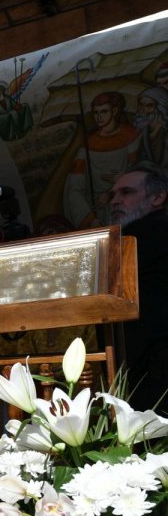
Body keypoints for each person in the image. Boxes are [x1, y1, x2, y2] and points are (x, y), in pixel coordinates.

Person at [110, 162, 168, 413]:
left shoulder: (145, 234)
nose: (115, 201)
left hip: (154, 364)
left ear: (157, 197)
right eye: (113, 195)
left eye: (126, 192)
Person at [64, 91, 140, 228]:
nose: (99, 117)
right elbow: (75, 185)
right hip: (99, 207)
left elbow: (141, 170)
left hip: (128, 202)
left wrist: (120, 183)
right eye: (96, 113)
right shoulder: (88, 145)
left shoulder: (130, 135)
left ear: (114, 111)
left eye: (104, 111)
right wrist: (91, 220)